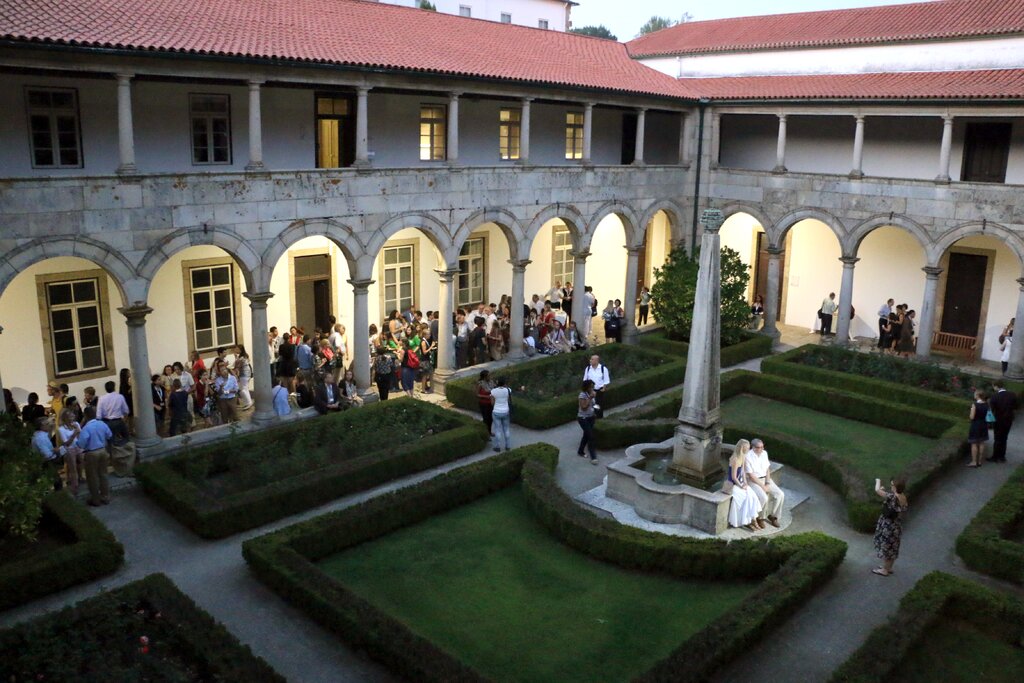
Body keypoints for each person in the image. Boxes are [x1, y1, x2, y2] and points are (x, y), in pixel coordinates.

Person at [872, 478, 908, 576]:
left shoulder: (892, 497)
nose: (891, 486)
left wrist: (878, 481)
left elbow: (877, 490)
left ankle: (884, 570)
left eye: (892, 485)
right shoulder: (903, 497)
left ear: (895, 488)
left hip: (888, 525)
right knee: (893, 548)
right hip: (896, 525)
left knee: (886, 548)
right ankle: (889, 568)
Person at [78, 407, 113, 507]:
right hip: (102, 450)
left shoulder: (86, 428)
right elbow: (109, 435)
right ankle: (105, 496)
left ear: (85, 416)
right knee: (103, 474)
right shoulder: (102, 424)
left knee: (92, 476)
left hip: (92, 453)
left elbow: (81, 443)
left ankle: (96, 499)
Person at [745, 438, 784, 528]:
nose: (761, 449)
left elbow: (767, 469)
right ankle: (760, 518)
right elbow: (751, 475)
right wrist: (763, 486)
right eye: (758, 447)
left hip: (765, 479)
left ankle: (773, 516)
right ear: (753, 447)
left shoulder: (764, 453)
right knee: (763, 497)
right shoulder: (747, 456)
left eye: (762, 447)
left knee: (780, 494)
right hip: (753, 481)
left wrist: (767, 482)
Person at [725, 440, 763, 531]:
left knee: (753, 496)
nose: (748, 449)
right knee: (745, 497)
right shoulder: (735, 459)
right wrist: (741, 486)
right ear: (742, 448)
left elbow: (742, 472)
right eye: (747, 447)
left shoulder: (743, 457)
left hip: (740, 482)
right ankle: (748, 521)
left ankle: (752, 520)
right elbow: (734, 477)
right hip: (733, 485)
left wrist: (745, 483)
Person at [988, 380, 1017, 463]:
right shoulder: (1012, 395)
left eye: (994, 386)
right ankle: (1002, 457)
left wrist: (989, 423)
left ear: (996, 386)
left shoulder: (994, 396)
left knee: (997, 439)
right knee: (1004, 438)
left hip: (998, 420)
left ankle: (995, 457)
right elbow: (1015, 407)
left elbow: (991, 411)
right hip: (1008, 420)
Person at [56, 409, 83, 496]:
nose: (73, 418)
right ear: (65, 418)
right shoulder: (61, 429)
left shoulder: (76, 424)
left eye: (73, 416)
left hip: (78, 447)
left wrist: (77, 432)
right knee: (73, 468)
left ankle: (80, 478)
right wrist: (75, 433)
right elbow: (66, 443)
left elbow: (80, 437)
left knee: (80, 464)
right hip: (70, 449)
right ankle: (74, 487)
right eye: (70, 416)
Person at [577, 379, 599, 465]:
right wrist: (590, 398)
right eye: (591, 387)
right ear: (587, 387)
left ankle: (580, 451)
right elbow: (584, 407)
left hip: (591, 417)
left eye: (593, 387)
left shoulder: (592, 394)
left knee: (586, 435)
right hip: (583, 418)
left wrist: (596, 409)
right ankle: (593, 457)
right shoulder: (582, 395)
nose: (592, 388)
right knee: (590, 436)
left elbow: (592, 405)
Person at [490, 377, 515, 452]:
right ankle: (508, 446)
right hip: (505, 411)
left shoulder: (493, 391)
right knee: (506, 429)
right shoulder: (508, 390)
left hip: (496, 411)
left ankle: (497, 447)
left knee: (497, 430)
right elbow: (508, 398)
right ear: (504, 383)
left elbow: (492, 403)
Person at [967, 389, 989, 467]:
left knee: (974, 443)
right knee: (981, 443)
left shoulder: (975, 405)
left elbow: (972, 417)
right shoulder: (986, 404)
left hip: (976, 425)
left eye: (975, 394)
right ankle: (979, 461)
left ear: (977, 396)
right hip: (984, 424)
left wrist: (971, 411)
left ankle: (974, 461)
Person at [477, 370, 495, 439]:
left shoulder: (491, 382)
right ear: (485, 377)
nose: (490, 376)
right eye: (488, 375)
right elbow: (477, 394)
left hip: (490, 403)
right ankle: (486, 434)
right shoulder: (480, 384)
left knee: (490, 419)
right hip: (483, 404)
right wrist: (486, 396)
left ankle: (489, 431)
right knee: (486, 419)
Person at [234, 345, 253, 409]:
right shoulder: (243, 356)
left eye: (236, 349)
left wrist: (236, 358)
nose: (235, 350)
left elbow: (237, 365)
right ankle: (247, 403)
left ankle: (249, 402)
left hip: (244, 374)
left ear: (240, 350)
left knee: (243, 389)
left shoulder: (242, 357)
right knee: (245, 389)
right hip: (246, 373)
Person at [119, 367, 134, 433]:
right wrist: (131, 387)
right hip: (127, 403)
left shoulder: (125, 382)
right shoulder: (124, 384)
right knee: (128, 419)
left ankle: (130, 430)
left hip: (129, 402)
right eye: (128, 372)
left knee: (130, 418)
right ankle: (127, 431)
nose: (130, 373)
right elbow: (126, 393)